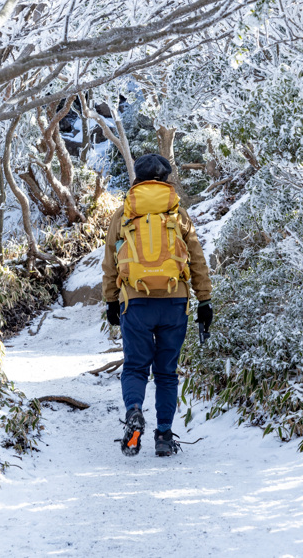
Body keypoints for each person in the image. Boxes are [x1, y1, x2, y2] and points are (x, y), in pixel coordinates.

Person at [101, 153, 213, 456]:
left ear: (137, 178)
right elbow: (197, 259)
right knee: (166, 372)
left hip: (135, 301)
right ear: (166, 179)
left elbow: (111, 262)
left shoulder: (124, 214)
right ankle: (163, 436)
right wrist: (204, 300)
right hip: (175, 300)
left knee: (136, 368)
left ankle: (135, 411)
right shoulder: (177, 214)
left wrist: (112, 300)